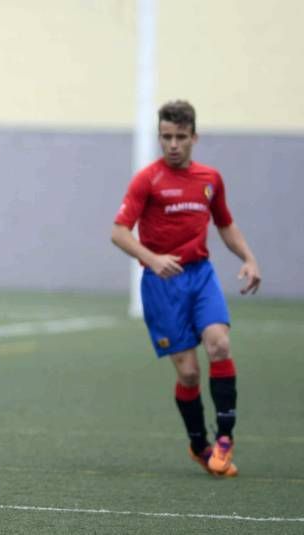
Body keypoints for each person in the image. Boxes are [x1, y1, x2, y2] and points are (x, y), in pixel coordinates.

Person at [111, 101, 261, 477]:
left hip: (200, 276)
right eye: (166, 137)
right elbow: (118, 232)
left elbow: (225, 224)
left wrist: (248, 257)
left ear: (194, 137)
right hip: (162, 285)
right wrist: (153, 258)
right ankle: (199, 445)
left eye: (180, 137)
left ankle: (224, 439)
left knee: (219, 344)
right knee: (190, 374)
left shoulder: (210, 179)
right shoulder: (147, 180)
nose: (173, 144)